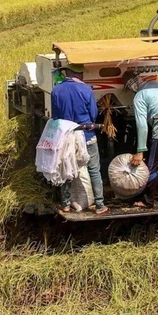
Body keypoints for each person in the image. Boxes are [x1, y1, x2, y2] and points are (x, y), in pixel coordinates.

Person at [50, 63, 108, 215]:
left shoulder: (56, 90)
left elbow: (55, 116)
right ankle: (100, 205)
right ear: (79, 74)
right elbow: (93, 114)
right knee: (94, 169)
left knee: (67, 169)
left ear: (66, 73)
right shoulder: (86, 89)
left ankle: (66, 204)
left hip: (67, 136)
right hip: (86, 135)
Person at [123, 69, 158, 207]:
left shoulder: (139, 96)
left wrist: (140, 150)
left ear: (131, 86)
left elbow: (142, 125)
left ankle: (148, 201)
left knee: (152, 167)